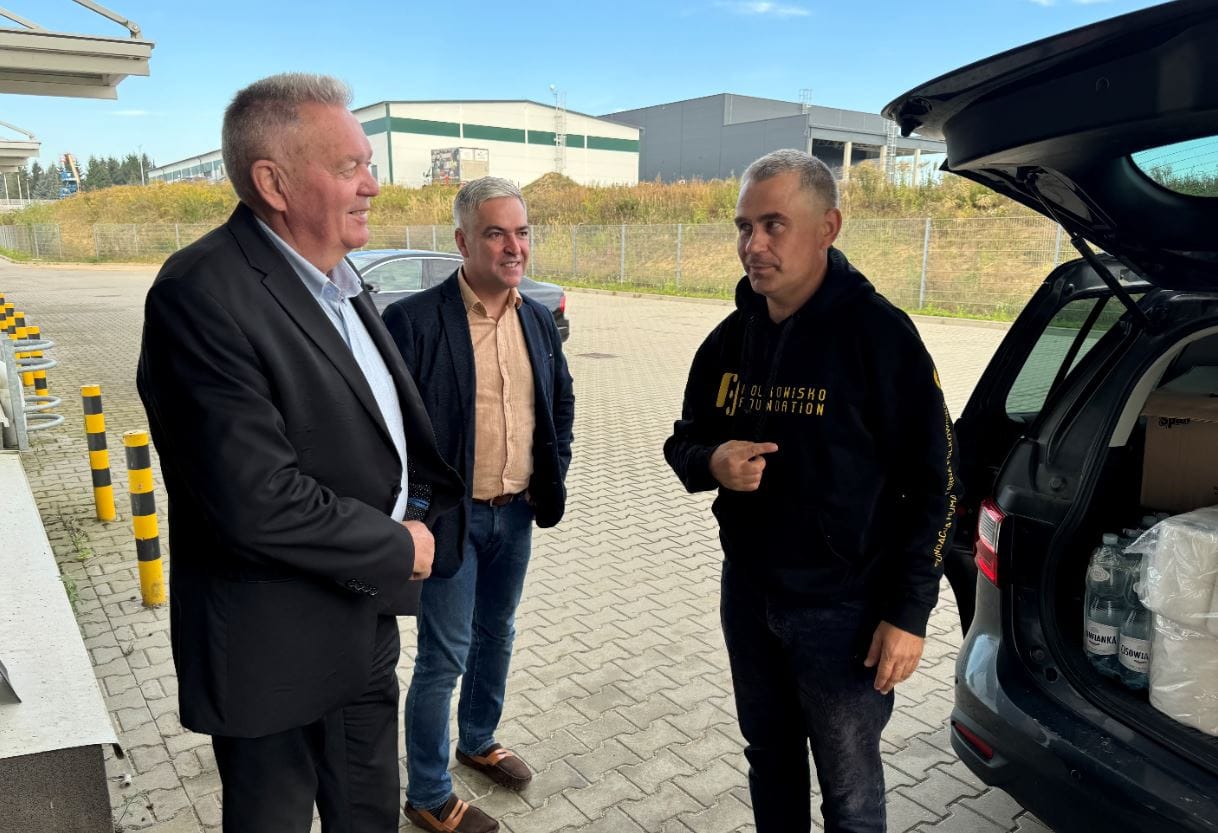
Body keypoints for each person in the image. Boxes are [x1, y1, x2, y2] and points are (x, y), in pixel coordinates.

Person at [136, 73, 463, 833]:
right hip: (271, 653)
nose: (372, 185)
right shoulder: (200, 294)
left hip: (361, 624)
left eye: (369, 165)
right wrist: (399, 545)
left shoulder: (342, 280)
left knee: (370, 817)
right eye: (349, 167)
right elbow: (255, 499)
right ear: (273, 183)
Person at [663, 149, 959, 833]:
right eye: (744, 227)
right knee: (769, 761)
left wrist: (909, 613)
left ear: (828, 227)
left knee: (849, 795)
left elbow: (939, 481)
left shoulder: (880, 336)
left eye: (774, 225)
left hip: (845, 610)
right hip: (749, 594)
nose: (753, 245)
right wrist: (712, 461)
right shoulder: (728, 342)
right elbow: (683, 442)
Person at [382, 176, 574, 833]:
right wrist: (412, 513)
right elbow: (389, 429)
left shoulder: (536, 319)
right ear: (464, 242)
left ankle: (478, 738)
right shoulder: (414, 321)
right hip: (451, 520)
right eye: (496, 234)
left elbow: (560, 403)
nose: (513, 246)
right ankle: (428, 794)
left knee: (499, 632)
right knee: (444, 656)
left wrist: (553, 470)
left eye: (521, 232)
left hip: (515, 513)